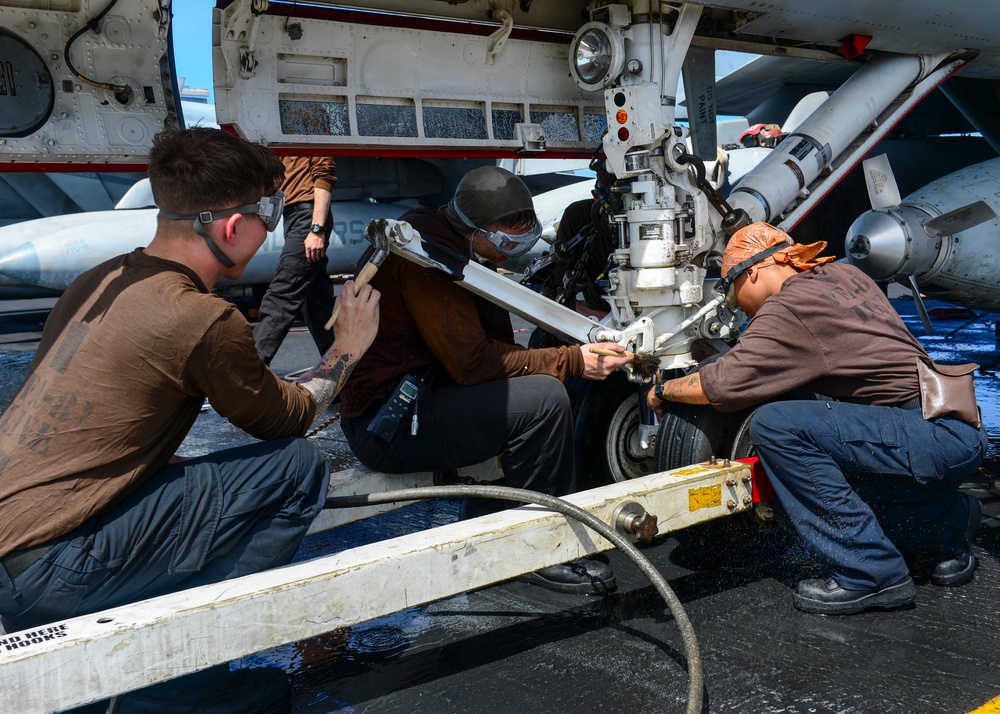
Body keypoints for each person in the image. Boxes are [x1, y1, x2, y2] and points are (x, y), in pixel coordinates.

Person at [0, 128, 380, 636]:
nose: (270, 230)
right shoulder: (201, 317)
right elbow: (287, 418)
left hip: (16, 542)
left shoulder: (98, 282)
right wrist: (347, 348)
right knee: (296, 468)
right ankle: (185, 673)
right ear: (230, 230)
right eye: (267, 216)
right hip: (52, 568)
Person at [646, 222, 987, 616]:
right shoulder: (845, 274)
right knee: (841, 488)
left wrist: (662, 391)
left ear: (752, 271)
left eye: (729, 287)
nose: (735, 303)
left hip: (924, 434)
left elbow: (722, 384)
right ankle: (951, 524)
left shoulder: (790, 306)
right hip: (952, 428)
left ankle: (871, 574)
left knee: (776, 425)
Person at [339, 166, 631, 595]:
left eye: (525, 227)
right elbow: (472, 363)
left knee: (536, 386)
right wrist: (571, 359)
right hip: (390, 425)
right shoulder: (427, 259)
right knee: (545, 399)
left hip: (422, 397)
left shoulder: (450, 243)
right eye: (508, 234)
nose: (518, 243)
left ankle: (488, 519)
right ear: (474, 230)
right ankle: (539, 547)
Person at [253, 155, 338, 366]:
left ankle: (248, 371)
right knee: (316, 303)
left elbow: (324, 173)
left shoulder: (307, 126)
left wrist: (316, 229)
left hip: (307, 218)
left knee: (282, 294)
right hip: (291, 217)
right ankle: (349, 376)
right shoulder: (277, 140)